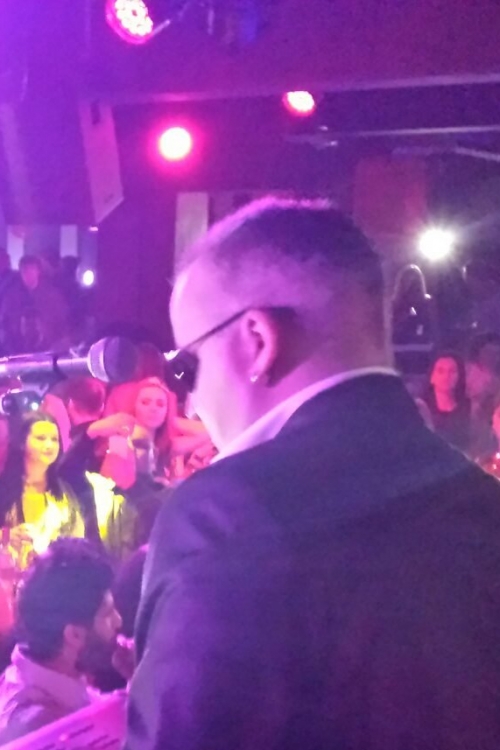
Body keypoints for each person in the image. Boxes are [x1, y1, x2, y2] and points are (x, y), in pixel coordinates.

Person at [126, 197, 500, 750]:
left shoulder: (224, 515)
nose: (192, 397)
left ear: (257, 340)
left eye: (188, 366)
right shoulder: (481, 500)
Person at [0, 538, 132, 744]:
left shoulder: (60, 683)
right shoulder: (39, 727)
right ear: (74, 635)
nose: (118, 621)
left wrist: (136, 679)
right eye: (107, 614)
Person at [0, 413, 84, 563]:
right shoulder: (4, 487)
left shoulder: (64, 491)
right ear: (22, 443)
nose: (49, 445)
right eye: (40, 438)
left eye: (54, 439)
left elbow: (77, 540)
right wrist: (6, 536)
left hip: (51, 574)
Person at [0, 255, 69, 354]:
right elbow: (5, 323)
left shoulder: (51, 296)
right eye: (25, 270)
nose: (28, 274)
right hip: (18, 350)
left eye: (31, 269)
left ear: (38, 271)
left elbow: (61, 321)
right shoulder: (11, 297)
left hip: (47, 349)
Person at [423, 352, 470, 451]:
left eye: (452, 371)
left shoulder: (469, 408)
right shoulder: (422, 408)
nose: (446, 376)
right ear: (432, 376)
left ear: (460, 376)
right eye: (441, 371)